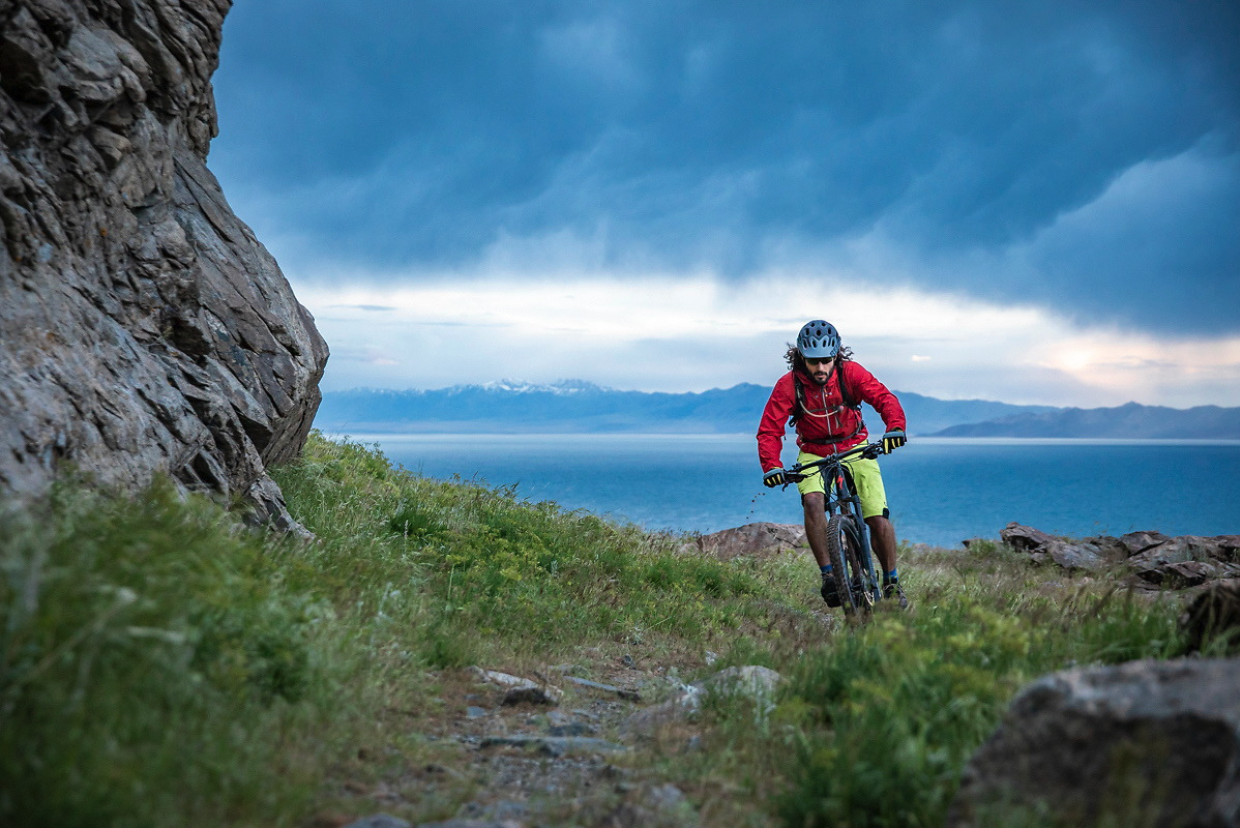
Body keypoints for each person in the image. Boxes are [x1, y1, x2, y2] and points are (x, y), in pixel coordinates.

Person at [757, 320, 909, 609]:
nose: (820, 368)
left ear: (837, 355)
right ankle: (829, 576)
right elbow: (769, 430)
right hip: (813, 452)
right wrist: (771, 466)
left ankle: (891, 582)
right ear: (801, 357)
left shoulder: (851, 373)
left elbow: (884, 399)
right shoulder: (788, 385)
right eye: (813, 362)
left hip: (855, 447)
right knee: (813, 502)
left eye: (826, 360)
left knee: (877, 516)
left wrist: (895, 428)